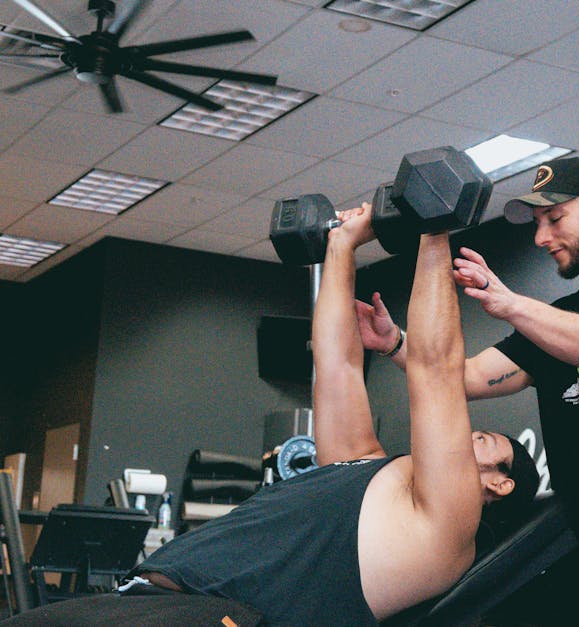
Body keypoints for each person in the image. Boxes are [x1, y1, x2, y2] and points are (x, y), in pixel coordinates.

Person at [3, 204, 539, 627]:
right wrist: (341, 246)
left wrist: (434, 231)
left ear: (502, 485)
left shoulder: (446, 529)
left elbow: (436, 369)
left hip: (210, 616)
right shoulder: (365, 466)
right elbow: (335, 367)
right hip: (143, 596)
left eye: (487, 438)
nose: (467, 432)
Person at [356, 157, 579, 625]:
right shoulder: (555, 319)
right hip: (573, 543)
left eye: (555, 219)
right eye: (539, 223)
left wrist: (511, 304)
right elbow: (466, 378)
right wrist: (394, 343)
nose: (541, 237)